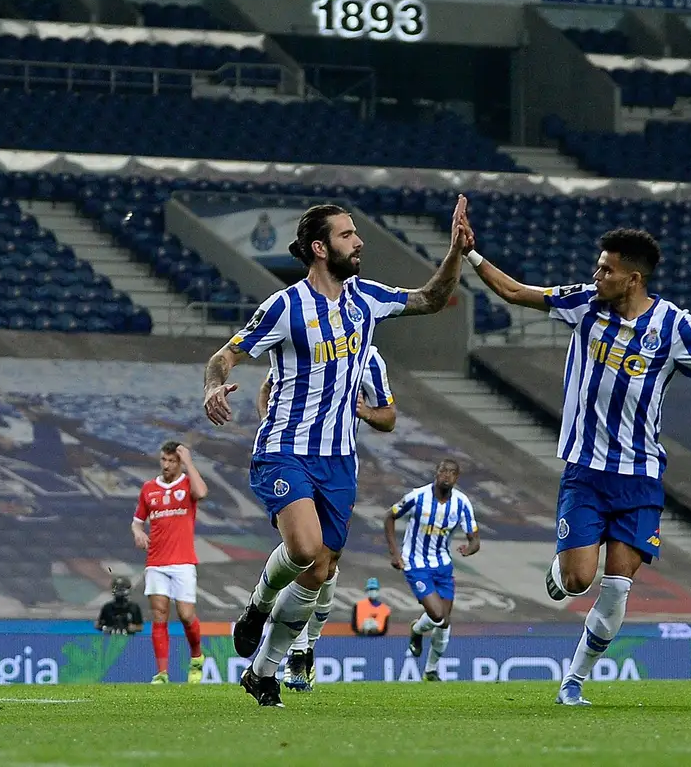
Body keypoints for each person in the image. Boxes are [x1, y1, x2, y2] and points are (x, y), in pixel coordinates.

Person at [203, 196, 469, 707]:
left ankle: (263, 672)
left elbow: (431, 300)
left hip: (339, 461)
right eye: (348, 235)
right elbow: (225, 355)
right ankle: (258, 606)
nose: (359, 241)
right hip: (285, 448)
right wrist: (215, 387)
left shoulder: (366, 298)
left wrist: (455, 252)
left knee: (321, 570)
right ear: (320, 248)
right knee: (304, 550)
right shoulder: (285, 307)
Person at [463, 223, 691, 708]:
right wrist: (470, 254)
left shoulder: (675, 325)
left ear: (632, 279)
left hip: (641, 475)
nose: (597, 275)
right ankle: (564, 562)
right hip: (586, 472)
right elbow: (514, 292)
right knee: (576, 582)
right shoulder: (584, 303)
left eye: (606, 269)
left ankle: (573, 682)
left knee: (615, 589)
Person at [281, 345, 395, 693]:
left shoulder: (369, 357)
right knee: (304, 554)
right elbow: (268, 389)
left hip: (338, 473)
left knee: (326, 566)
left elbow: (389, 416)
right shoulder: (299, 344)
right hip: (294, 465)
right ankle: (295, 651)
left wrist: (366, 413)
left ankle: (309, 643)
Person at [386, 458, 479, 682]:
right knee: (437, 615)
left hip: (442, 565)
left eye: (452, 472)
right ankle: (417, 631)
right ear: (435, 473)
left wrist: (469, 549)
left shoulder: (462, 503)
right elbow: (390, 516)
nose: (446, 475)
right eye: (442, 470)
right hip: (415, 564)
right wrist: (395, 554)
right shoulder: (417, 497)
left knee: (444, 621)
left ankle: (430, 670)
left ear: (457, 478)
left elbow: (475, 539)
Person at [133, 440, 209, 684]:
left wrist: (188, 462)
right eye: (163, 460)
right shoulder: (149, 488)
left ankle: (197, 656)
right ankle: (162, 673)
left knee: (186, 615)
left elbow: (202, 493)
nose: (166, 465)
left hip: (183, 561)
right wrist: (138, 531)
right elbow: (137, 520)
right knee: (159, 615)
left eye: (172, 461)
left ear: (179, 462)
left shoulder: (187, 484)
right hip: (156, 561)